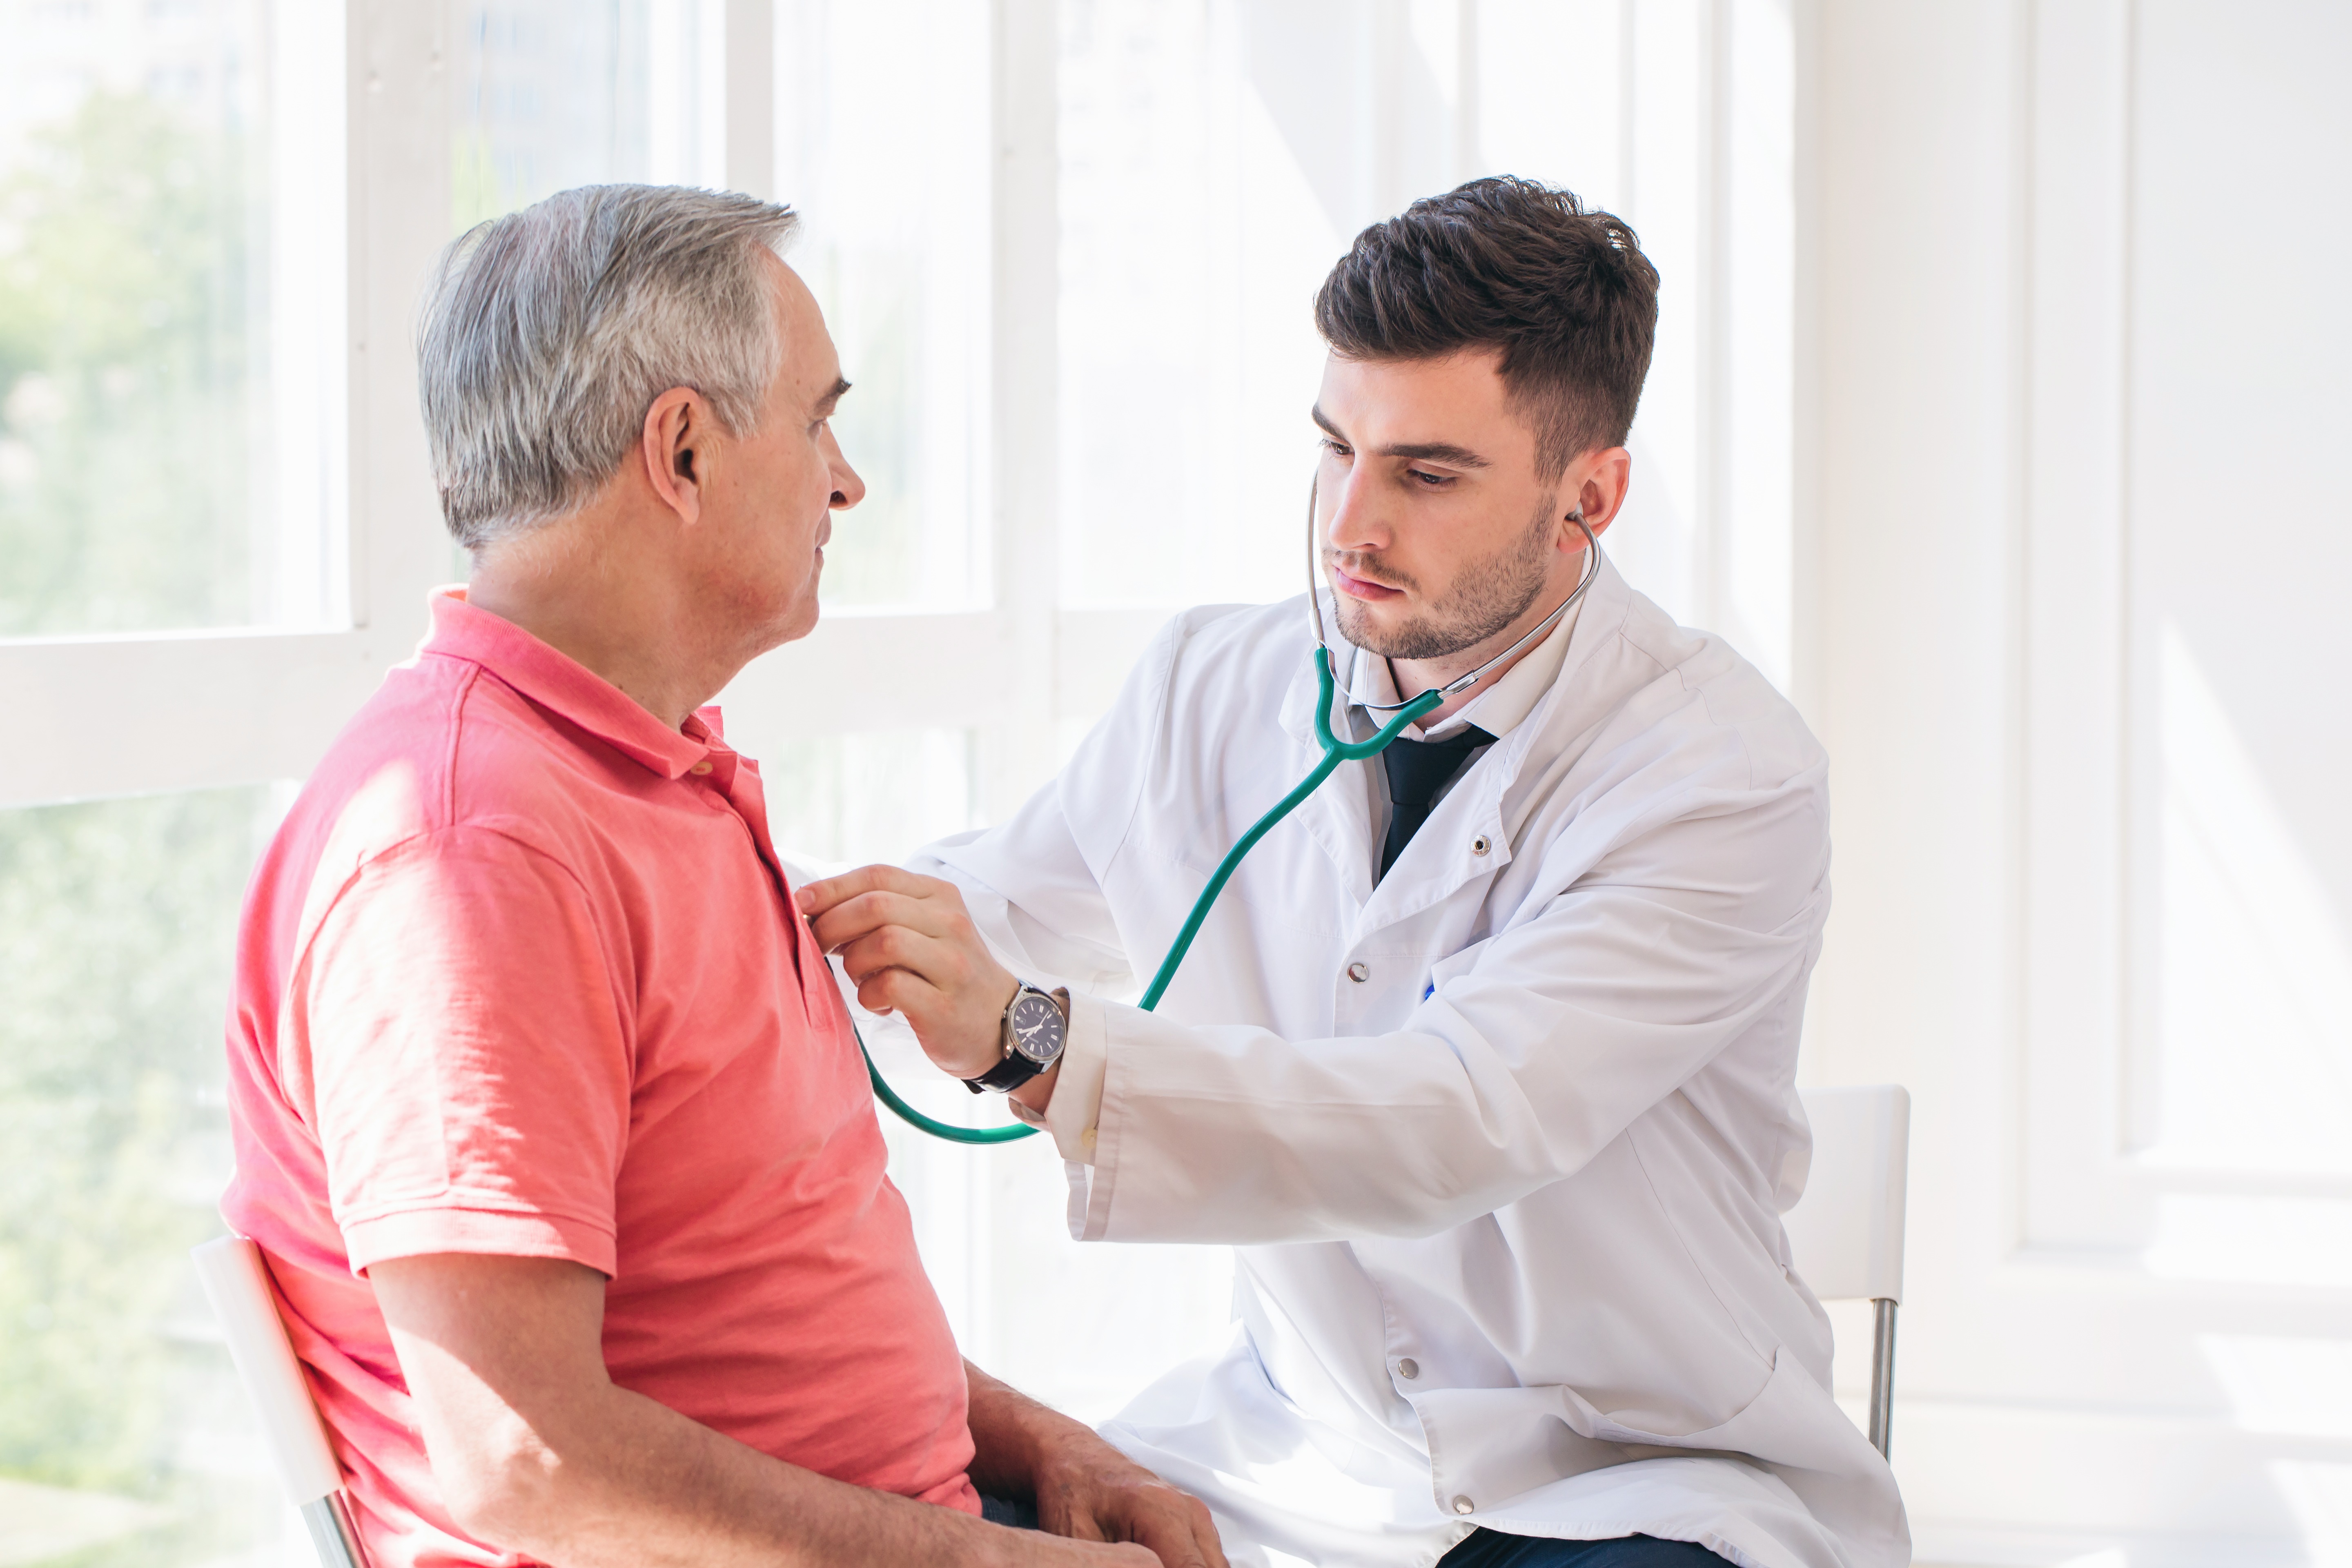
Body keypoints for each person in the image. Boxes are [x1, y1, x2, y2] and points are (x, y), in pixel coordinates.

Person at [800, 178, 1910, 1568]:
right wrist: (702, 894)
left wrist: (1032, 1041)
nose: (1350, 526)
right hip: (1289, 1459)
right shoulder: (1211, 687)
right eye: (1336, 449)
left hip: (1625, 1477)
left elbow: (1453, 1116)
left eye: (1427, 474)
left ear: (1591, 499)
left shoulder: (1718, 773)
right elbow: (978, 905)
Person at [220, 185, 1225, 1568]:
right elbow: (527, 1461)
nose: (847, 477)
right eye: (819, 419)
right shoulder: (472, 852)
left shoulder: (648, 773)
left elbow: (754, 1304)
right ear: (682, 451)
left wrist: (1047, 1448)